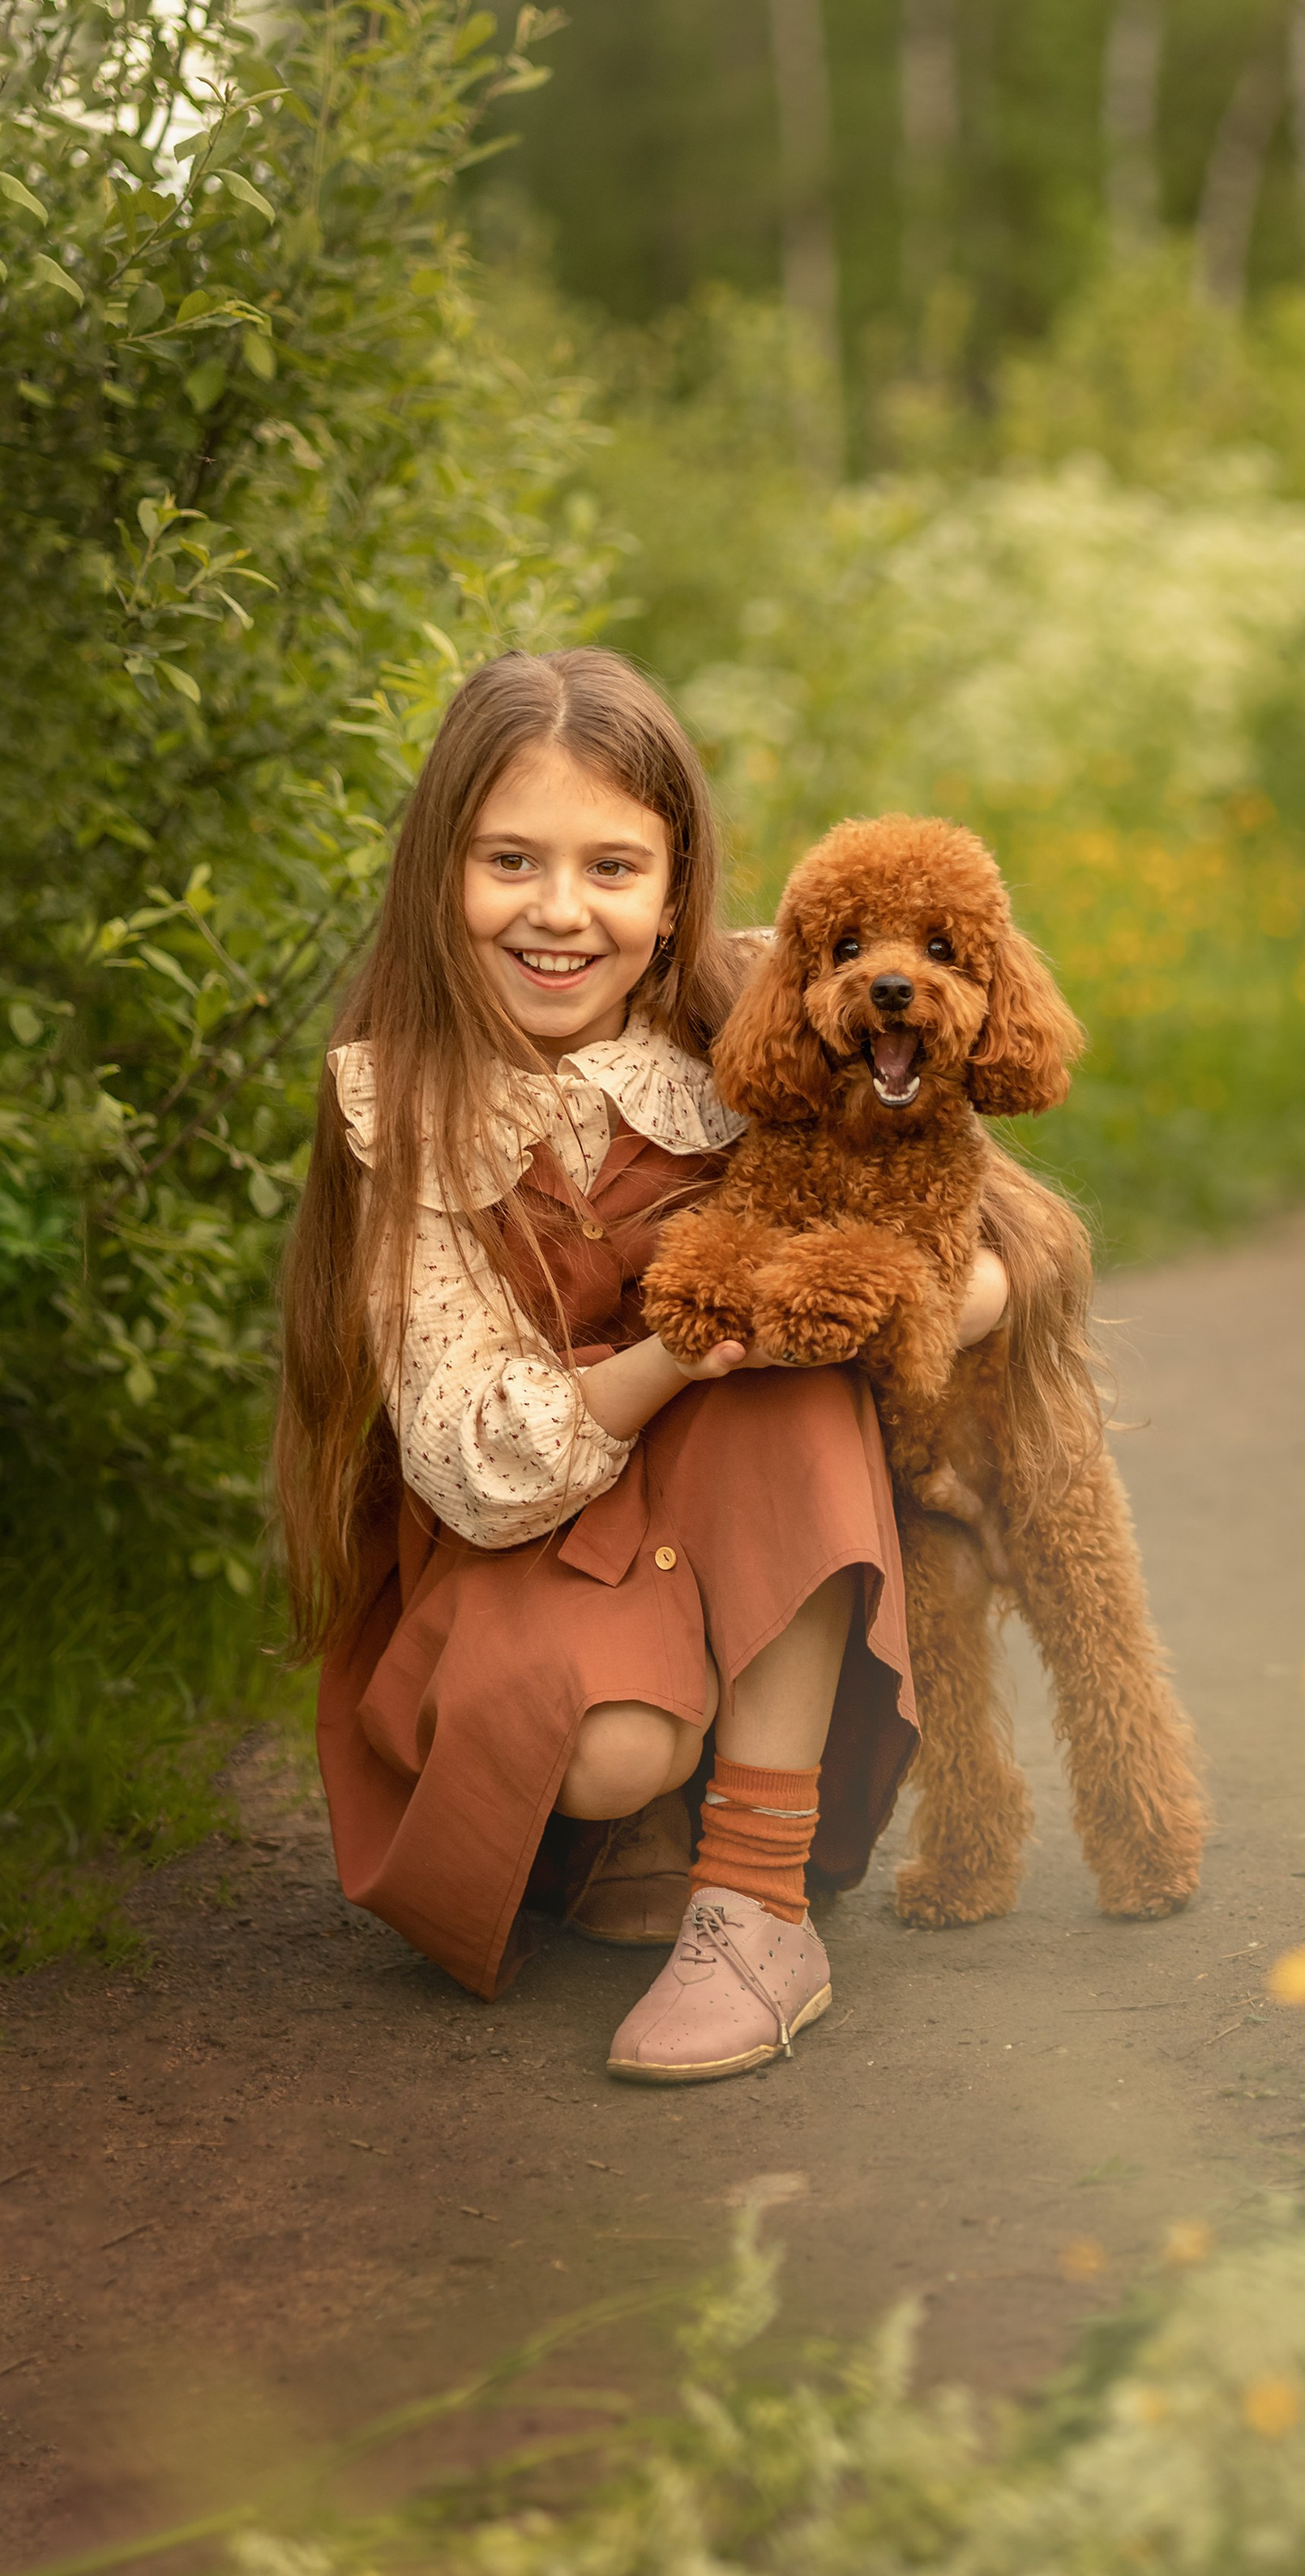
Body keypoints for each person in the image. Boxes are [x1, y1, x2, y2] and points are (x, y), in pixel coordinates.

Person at [273, 648, 1008, 2083]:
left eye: (611, 867)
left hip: (735, 1497)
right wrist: (679, 1354)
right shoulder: (403, 1108)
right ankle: (621, 1823)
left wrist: (888, 1308)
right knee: (611, 1749)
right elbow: (472, 1458)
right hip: (524, 1523)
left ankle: (756, 1903)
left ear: (675, 895)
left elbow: (989, 1247)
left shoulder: (765, 1014)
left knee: (794, 1379)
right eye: (510, 861)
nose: (560, 910)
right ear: (440, 876)